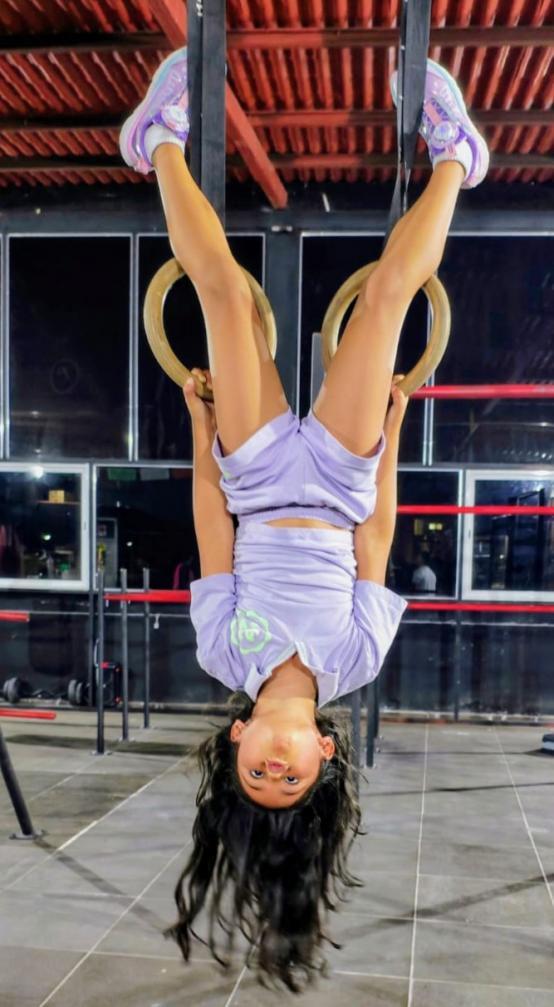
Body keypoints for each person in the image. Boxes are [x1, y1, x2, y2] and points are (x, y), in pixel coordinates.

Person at [120, 50, 489, 992]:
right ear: (327, 753)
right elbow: (377, 540)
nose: (278, 765)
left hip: (253, 480)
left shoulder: (225, 653)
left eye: (260, 773)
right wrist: (388, 438)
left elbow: (211, 528)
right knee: (387, 303)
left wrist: (202, 427)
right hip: (334, 482)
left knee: (222, 296)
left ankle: (159, 141)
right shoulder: (354, 660)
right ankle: (456, 154)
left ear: (235, 742)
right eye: (294, 777)